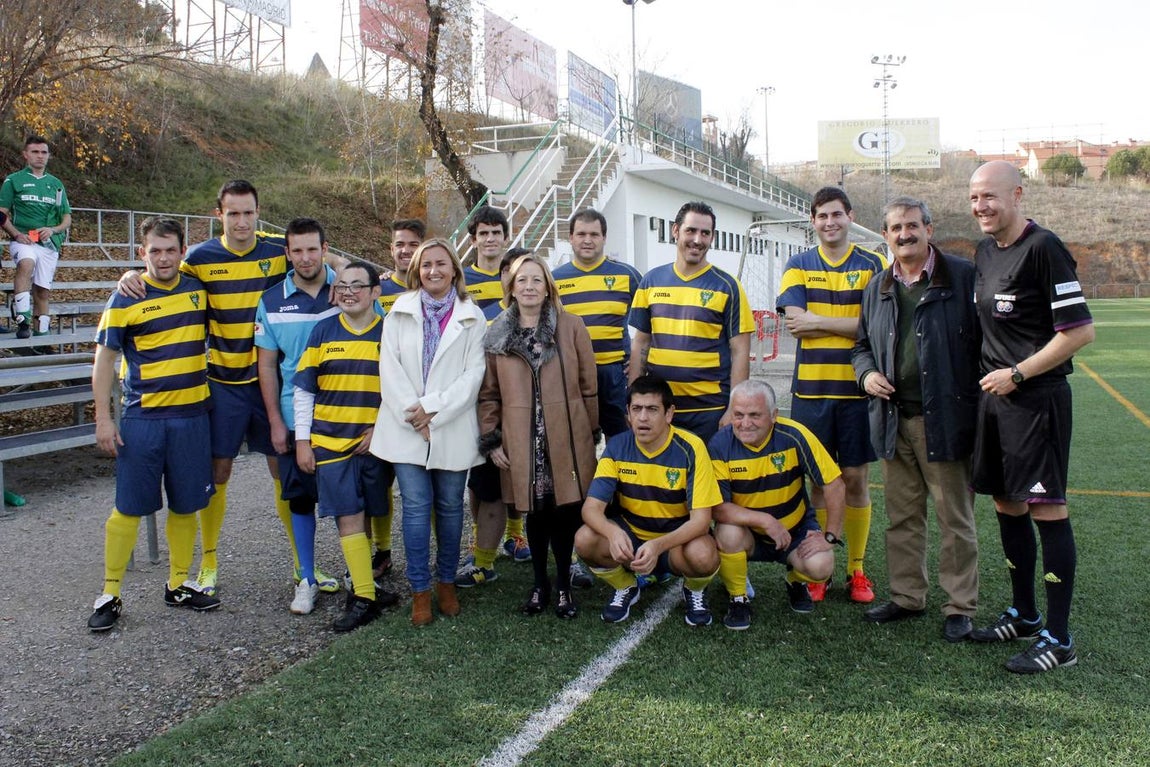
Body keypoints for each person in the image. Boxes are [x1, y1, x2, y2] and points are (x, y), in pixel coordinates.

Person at [118, 180, 305, 597]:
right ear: (218, 215)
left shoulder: (279, 252)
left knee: (282, 469)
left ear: (259, 212)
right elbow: (159, 274)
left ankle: (301, 564)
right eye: (233, 213)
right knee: (218, 473)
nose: (241, 221)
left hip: (270, 385)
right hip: (222, 385)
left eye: (248, 212)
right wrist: (130, 274)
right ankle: (209, 562)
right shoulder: (199, 258)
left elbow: (322, 265)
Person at [967, 160, 1094, 674]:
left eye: (990, 197)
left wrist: (1017, 374)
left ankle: (1059, 640)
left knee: (1046, 509)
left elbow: (1079, 332)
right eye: (974, 197)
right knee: (1006, 503)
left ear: (1017, 195)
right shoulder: (982, 251)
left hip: (1035, 399)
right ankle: (1023, 614)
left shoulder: (1044, 249)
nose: (981, 206)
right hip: (995, 404)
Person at [851, 196, 981, 643]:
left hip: (941, 419)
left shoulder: (962, 276)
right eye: (895, 228)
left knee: (954, 517)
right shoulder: (877, 286)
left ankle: (960, 605)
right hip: (891, 419)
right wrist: (866, 374)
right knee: (902, 517)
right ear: (885, 235)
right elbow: (861, 346)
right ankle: (908, 597)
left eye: (911, 225)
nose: (904, 234)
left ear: (929, 228)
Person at [86, 217, 218, 631]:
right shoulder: (125, 297)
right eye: (154, 250)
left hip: (193, 416)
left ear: (183, 251)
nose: (163, 258)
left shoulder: (199, 289)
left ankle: (178, 583)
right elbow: (104, 361)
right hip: (143, 418)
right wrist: (104, 418)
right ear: (142, 253)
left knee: (186, 505)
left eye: (170, 250)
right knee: (127, 507)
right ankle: (110, 591)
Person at [776, 186, 886, 604]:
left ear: (849, 217)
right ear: (813, 220)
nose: (830, 223)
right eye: (822, 216)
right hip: (812, 392)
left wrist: (820, 319)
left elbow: (877, 324)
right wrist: (851, 322)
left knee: (856, 479)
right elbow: (794, 320)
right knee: (819, 484)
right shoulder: (798, 264)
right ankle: (820, 563)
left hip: (859, 391)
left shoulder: (873, 263)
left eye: (837, 215)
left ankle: (856, 569)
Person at [371, 238, 487, 626]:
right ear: (415, 272)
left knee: (451, 509)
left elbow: (474, 376)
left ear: (455, 269)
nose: (433, 271)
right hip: (405, 428)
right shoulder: (398, 312)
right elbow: (389, 369)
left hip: (451, 425)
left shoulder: (473, 315)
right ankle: (420, 590)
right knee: (417, 510)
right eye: (425, 266)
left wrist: (433, 410)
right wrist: (415, 412)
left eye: (441, 264)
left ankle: (446, 582)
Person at [477, 253, 599, 618]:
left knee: (564, 510)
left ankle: (563, 584)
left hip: (566, 435)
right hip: (521, 438)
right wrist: (492, 438)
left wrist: (590, 432)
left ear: (548, 287)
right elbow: (488, 394)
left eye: (536, 280)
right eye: (522, 280)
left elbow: (588, 385)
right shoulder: (497, 334)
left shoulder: (572, 326)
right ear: (511, 288)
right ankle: (538, 584)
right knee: (534, 510)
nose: (529, 287)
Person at [293, 261, 398, 632]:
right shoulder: (322, 331)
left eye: (357, 285)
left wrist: (381, 430)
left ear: (375, 292)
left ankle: (364, 584)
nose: (348, 292)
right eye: (342, 286)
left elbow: (401, 392)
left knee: (367, 512)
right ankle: (365, 599)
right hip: (330, 444)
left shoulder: (390, 333)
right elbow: (304, 391)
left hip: (374, 445)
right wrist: (303, 442)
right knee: (347, 517)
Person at [575, 374, 721, 626]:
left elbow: (701, 520)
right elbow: (591, 509)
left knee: (703, 555)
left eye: (652, 409)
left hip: (676, 541)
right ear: (628, 414)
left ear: (669, 413)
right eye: (637, 409)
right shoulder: (618, 446)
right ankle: (626, 586)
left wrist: (658, 546)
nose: (643, 418)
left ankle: (695, 590)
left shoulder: (691, 447)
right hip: (634, 538)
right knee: (585, 539)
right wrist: (612, 532)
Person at [254, 218, 345, 614]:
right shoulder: (272, 300)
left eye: (313, 249)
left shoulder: (348, 288)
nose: (306, 257)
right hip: (296, 419)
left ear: (325, 249)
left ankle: (362, 578)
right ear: (287, 253)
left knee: (349, 501)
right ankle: (305, 578)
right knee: (301, 501)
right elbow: (267, 367)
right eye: (298, 250)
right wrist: (275, 420)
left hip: (346, 414)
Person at [709, 380, 843, 630]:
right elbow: (718, 508)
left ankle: (795, 580)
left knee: (822, 565)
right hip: (748, 533)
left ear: (773, 416)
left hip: (794, 528)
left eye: (754, 415)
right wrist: (765, 521)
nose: (745, 423)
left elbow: (834, 484)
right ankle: (738, 596)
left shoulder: (794, 435)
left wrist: (830, 536)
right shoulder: (719, 444)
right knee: (726, 531)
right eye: (738, 415)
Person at [630, 201, 754, 445]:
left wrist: (734, 408)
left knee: (707, 481)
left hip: (710, 411)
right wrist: (634, 401)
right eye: (691, 231)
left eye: (705, 233)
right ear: (676, 231)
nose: (698, 240)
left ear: (712, 237)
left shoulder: (728, 286)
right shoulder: (651, 281)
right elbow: (640, 344)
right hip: (660, 409)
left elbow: (741, 351)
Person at [457, 205, 530, 587]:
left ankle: (516, 533)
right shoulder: (463, 283)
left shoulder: (528, 286)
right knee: (481, 475)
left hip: (518, 399)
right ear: (474, 240)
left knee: (522, 471)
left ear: (506, 236)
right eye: (482, 233)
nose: (489, 239)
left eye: (495, 232)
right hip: (480, 395)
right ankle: (481, 546)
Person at [553, 208, 642, 439]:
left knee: (623, 439)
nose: (587, 240)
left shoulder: (627, 275)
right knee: (578, 443)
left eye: (594, 234)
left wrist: (641, 358)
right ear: (570, 238)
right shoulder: (554, 280)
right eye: (581, 234)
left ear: (604, 238)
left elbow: (653, 322)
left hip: (615, 375)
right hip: (574, 375)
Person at [0, 135, 72, 342]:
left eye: (43, 152)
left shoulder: (56, 184)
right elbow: (1, 213)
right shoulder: (13, 180)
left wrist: (53, 229)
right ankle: (23, 319)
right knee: (26, 263)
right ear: (25, 155)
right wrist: (16, 234)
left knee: (42, 292)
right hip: (23, 241)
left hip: (48, 244)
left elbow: (66, 218)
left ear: (48, 156)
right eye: (35, 152)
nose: (40, 156)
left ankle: (42, 337)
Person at [378, 218, 425, 313]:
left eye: (413, 244)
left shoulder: (435, 287)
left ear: (423, 249)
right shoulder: (377, 290)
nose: (406, 251)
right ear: (392, 249)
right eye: (400, 244)